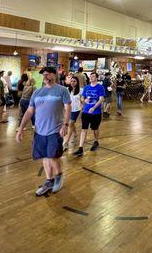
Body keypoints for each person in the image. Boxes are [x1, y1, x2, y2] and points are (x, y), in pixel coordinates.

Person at [16, 66, 71, 196]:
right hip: (39, 131)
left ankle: (58, 177)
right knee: (45, 157)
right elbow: (29, 111)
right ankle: (49, 180)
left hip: (55, 130)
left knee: (53, 156)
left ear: (55, 75)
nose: (45, 76)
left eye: (48, 74)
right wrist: (21, 128)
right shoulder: (37, 92)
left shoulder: (62, 90)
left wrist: (66, 124)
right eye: (43, 75)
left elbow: (68, 107)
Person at [73, 72, 105, 157]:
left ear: (97, 78)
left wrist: (94, 108)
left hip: (96, 112)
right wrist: (84, 100)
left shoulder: (100, 87)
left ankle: (96, 141)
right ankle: (80, 149)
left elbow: (101, 99)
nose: (91, 77)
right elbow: (82, 97)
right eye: (90, 76)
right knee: (84, 129)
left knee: (95, 129)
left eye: (93, 76)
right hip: (86, 112)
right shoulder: (86, 87)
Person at [63, 76, 81, 151]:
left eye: (74, 81)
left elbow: (82, 100)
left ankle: (66, 142)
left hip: (76, 110)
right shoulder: (67, 90)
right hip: (68, 110)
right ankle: (75, 134)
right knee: (71, 124)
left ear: (77, 82)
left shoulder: (81, 90)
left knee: (70, 124)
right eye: (71, 81)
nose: (72, 83)